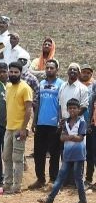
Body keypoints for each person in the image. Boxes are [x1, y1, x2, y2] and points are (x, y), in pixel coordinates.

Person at [38, 99, 87, 203]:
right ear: (67, 109)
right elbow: (62, 137)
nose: (72, 110)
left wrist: (69, 137)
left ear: (79, 109)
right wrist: (72, 137)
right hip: (68, 154)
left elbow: (80, 138)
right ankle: (50, 199)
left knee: (78, 178)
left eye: (74, 108)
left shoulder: (81, 122)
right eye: (70, 108)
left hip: (78, 155)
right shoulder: (65, 122)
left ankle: (83, 201)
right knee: (60, 177)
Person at [29, 59, 64, 189]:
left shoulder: (61, 84)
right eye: (47, 68)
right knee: (39, 153)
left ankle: (53, 179)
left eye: (52, 68)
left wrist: (60, 121)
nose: (49, 70)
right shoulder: (41, 83)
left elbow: (61, 104)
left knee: (54, 153)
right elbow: (37, 104)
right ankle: (40, 179)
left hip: (54, 124)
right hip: (41, 123)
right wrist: (34, 121)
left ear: (57, 70)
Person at [2, 62, 34, 194]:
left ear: (20, 73)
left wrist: (24, 128)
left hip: (19, 129)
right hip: (9, 128)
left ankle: (17, 185)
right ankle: (7, 183)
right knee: (6, 156)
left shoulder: (25, 88)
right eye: (11, 72)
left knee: (17, 158)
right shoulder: (8, 86)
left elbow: (28, 109)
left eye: (16, 72)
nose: (13, 74)